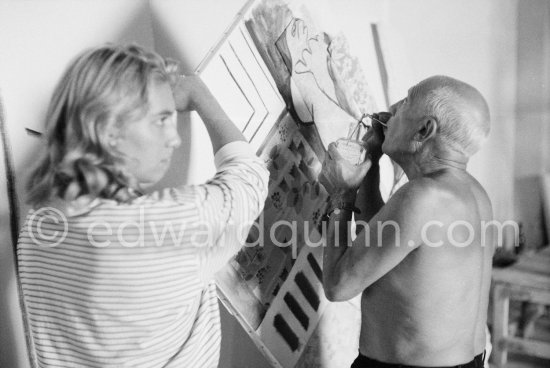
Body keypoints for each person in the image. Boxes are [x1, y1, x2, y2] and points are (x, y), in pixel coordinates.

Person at [17, 44, 268, 367]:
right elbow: (249, 179)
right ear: (109, 131)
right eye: (161, 120)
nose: (174, 138)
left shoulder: (39, 224)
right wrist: (198, 95)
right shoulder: (165, 230)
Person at [321, 75, 493, 367]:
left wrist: (342, 194)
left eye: (405, 103)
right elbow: (380, 247)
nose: (391, 109)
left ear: (424, 129)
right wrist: (371, 164)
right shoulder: (472, 192)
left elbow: (338, 285)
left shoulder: (423, 196)